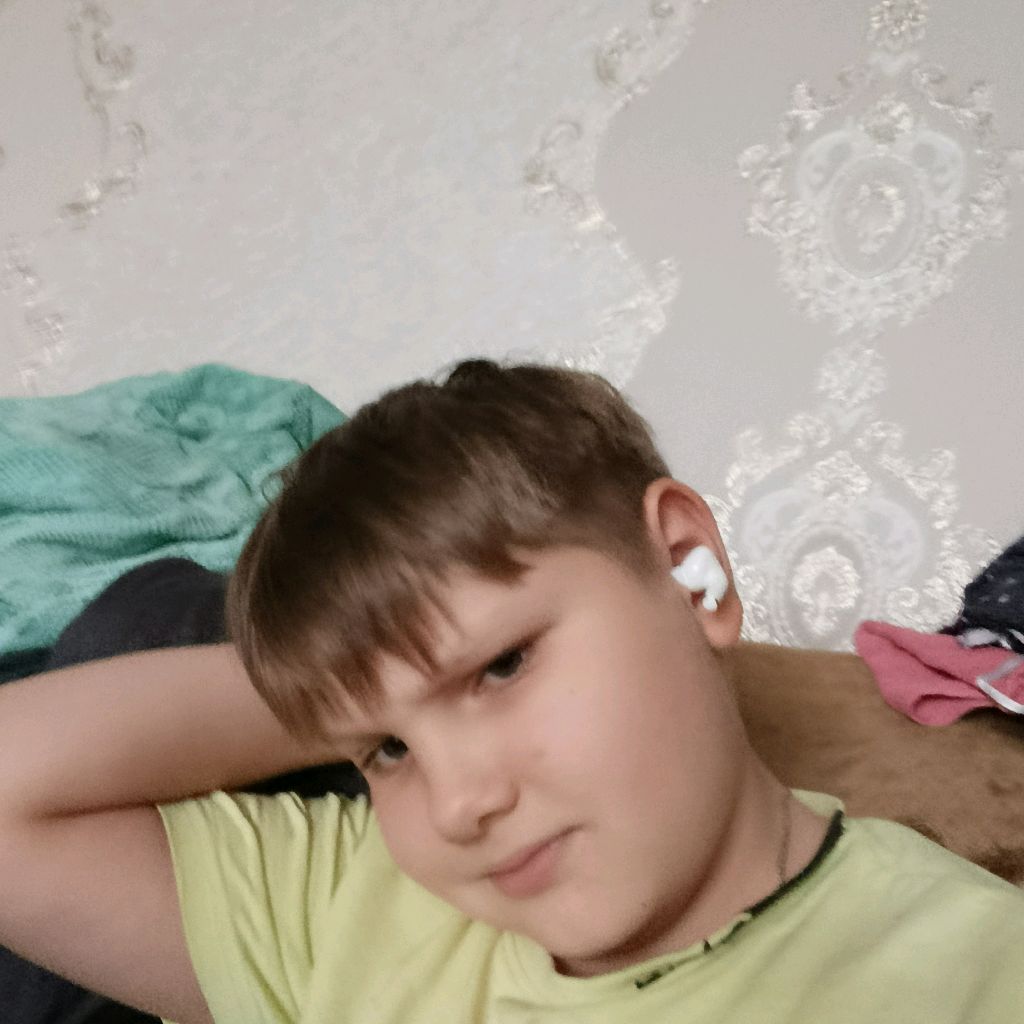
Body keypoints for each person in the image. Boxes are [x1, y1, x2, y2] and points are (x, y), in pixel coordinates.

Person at [0, 358, 1022, 1024]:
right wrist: (339, 683)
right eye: (386, 751)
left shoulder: (969, 970)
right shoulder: (351, 907)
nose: (460, 804)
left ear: (687, 569)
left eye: (501, 666)